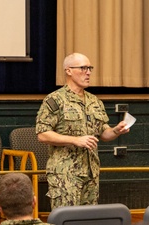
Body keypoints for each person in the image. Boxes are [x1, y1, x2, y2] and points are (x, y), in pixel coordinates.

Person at [36, 52, 130, 210]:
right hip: (65, 174)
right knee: (66, 219)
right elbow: (42, 134)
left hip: (91, 173)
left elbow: (103, 133)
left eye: (90, 68)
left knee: (88, 219)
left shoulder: (94, 101)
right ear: (69, 71)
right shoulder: (55, 100)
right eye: (83, 68)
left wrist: (116, 131)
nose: (88, 72)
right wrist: (75, 140)